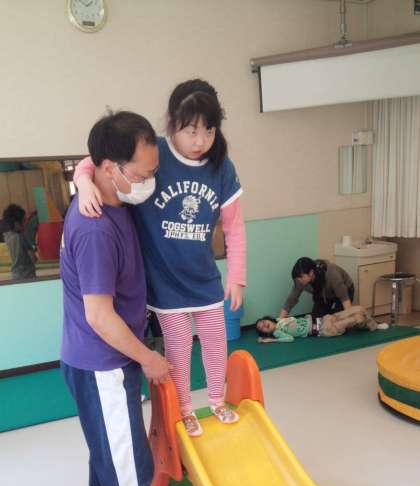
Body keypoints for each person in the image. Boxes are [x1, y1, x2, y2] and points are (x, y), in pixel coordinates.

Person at [60, 110, 202, 486]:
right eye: (142, 174)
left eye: (152, 171)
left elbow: (87, 161)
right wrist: (148, 358)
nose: (148, 181)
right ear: (110, 167)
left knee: (107, 443)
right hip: (103, 361)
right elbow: (100, 316)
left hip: (90, 358)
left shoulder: (109, 193)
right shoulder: (96, 228)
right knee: (130, 468)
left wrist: (82, 178)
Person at [74, 79, 246, 438]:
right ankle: (184, 408)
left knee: (216, 342)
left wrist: (236, 275)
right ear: (172, 124)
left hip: (204, 279)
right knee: (178, 349)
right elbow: (95, 160)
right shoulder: (155, 152)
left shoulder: (221, 166)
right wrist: (84, 182)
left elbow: (234, 226)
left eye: (209, 131)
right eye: (191, 131)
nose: (200, 141)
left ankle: (217, 400)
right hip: (166, 284)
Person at [256, 305, 387, 342]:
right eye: (262, 328)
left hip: (324, 319)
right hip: (324, 330)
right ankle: (370, 325)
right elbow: (289, 339)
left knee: (359, 309)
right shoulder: (278, 332)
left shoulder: (280, 320)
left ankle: (373, 326)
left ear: (268, 319)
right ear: (266, 333)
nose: (264, 325)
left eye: (263, 322)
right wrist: (270, 340)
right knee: (357, 318)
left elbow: (289, 303)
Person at [279, 257, 354, 320]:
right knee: (316, 320)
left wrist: (349, 317)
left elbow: (344, 298)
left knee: (340, 319)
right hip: (324, 294)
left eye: (301, 277)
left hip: (345, 289)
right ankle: (331, 314)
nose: (299, 280)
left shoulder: (331, 274)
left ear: (311, 272)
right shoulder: (300, 281)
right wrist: (280, 321)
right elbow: (291, 300)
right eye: (298, 279)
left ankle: (335, 314)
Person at [2, 203, 37, 280]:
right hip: (27, 274)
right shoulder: (21, 237)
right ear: (16, 224)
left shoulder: (7, 237)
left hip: (15, 274)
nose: (26, 222)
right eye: (24, 220)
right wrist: (33, 250)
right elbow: (33, 258)